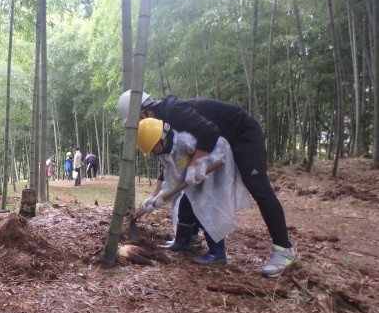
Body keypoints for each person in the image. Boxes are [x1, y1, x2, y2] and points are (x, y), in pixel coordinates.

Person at [119, 90, 296, 277]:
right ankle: (189, 238)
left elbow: (210, 132)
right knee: (192, 191)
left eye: (136, 121)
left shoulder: (173, 112)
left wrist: (196, 164)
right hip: (219, 142)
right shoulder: (159, 123)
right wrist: (156, 196)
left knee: (258, 188)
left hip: (241, 135)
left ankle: (284, 249)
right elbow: (171, 162)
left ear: (143, 112)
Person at [136, 117, 253, 265]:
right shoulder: (165, 154)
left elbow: (216, 148)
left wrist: (200, 166)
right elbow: (172, 179)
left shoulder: (185, 141)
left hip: (214, 174)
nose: (153, 152)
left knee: (207, 210)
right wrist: (158, 198)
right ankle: (183, 241)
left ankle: (217, 252)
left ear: (161, 139)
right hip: (196, 180)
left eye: (153, 147)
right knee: (185, 206)